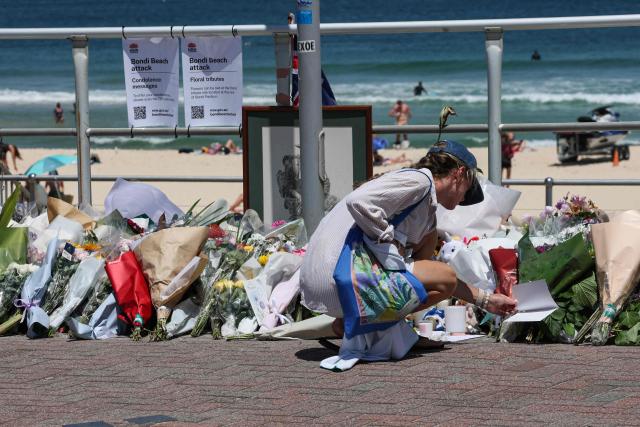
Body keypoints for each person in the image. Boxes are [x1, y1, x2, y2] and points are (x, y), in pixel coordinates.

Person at [300, 140, 517, 368]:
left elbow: (426, 273)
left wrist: (486, 300)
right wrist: (387, 239)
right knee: (446, 278)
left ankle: (363, 324)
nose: (464, 198)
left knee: (435, 262)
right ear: (459, 174)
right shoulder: (420, 180)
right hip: (338, 278)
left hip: (325, 279)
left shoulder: (422, 206)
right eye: (468, 187)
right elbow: (358, 201)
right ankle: (372, 326)